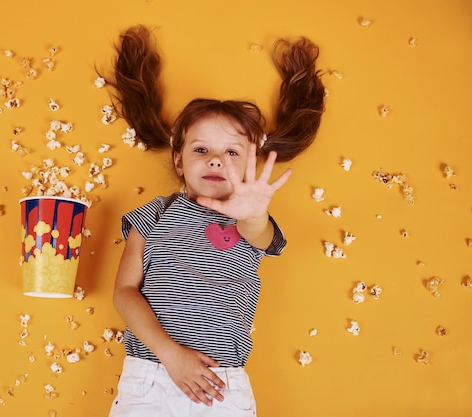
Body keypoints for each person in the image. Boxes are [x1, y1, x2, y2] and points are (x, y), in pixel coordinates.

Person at [102, 25, 326, 417]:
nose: (216, 159)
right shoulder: (155, 214)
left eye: (232, 152)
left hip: (222, 383)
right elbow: (124, 291)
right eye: (201, 149)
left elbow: (259, 235)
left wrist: (254, 212)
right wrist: (170, 355)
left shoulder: (250, 221)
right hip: (152, 374)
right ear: (179, 160)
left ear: (251, 164)